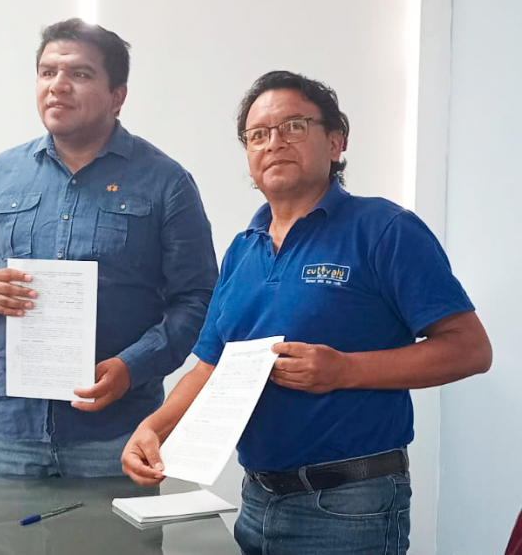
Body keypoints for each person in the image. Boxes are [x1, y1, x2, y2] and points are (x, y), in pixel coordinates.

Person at [121, 70, 492, 554]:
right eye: (258, 134)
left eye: (293, 126)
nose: (274, 143)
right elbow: (211, 366)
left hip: (350, 506)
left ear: (335, 142)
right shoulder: (243, 249)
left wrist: (345, 369)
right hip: (256, 501)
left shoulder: (385, 229)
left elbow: (470, 350)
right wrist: (154, 427)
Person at [0, 18, 218, 479]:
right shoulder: (3, 173)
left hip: (115, 435)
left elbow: (199, 301)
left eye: (79, 73)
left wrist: (132, 366)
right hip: (7, 434)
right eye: (47, 72)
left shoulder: (165, 182)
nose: (57, 85)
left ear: (117, 96)